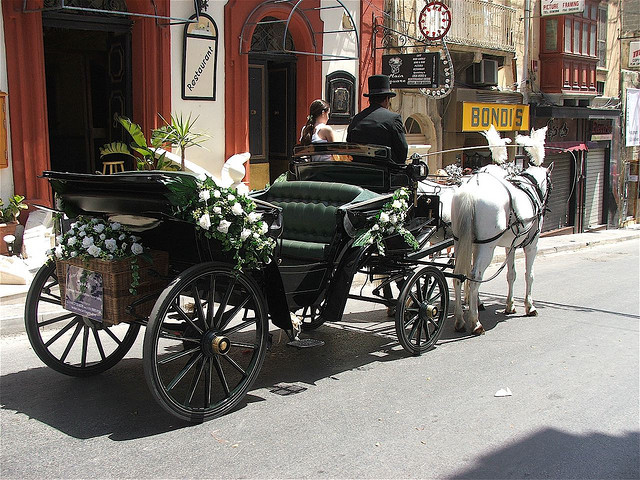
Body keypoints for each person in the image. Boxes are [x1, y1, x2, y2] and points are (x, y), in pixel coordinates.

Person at [347, 74, 408, 164]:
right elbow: (402, 151)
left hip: (359, 170)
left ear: (370, 99)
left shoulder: (356, 119)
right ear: (387, 100)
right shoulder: (393, 119)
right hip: (385, 170)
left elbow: (349, 145)